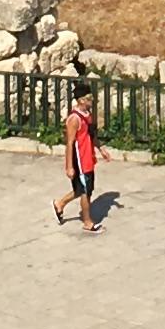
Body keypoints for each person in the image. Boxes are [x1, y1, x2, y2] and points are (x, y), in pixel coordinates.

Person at [54, 91, 102, 236]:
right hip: (80, 161)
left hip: (88, 158)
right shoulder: (74, 119)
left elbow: (91, 134)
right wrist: (69, 166)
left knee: (83, 189)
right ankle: (87, 223)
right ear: (81, 100)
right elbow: (69, 143)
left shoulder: (88, 114)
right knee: (85, 192)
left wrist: (101, 149)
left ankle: (60, 204)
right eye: (89, 98)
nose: (92, 100)